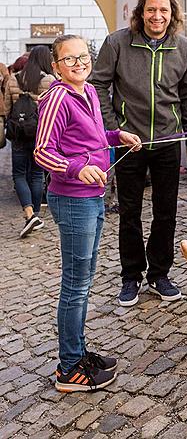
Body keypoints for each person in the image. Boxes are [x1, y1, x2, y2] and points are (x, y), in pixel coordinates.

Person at [34, 34, 141, 392]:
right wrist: (76, 168)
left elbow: (89, 138)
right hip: (73, 199)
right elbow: (42, 153)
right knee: (75, 285)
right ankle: (68, 368)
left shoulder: (90, 92)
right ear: (56, 66)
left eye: (83, 56)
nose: (79, 63)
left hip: (93, 197)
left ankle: (78, 353)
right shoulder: (57, 99)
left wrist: (116, 135)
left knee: (85, 278)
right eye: (69, 59)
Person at [92, 0, 187, 306]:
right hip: (130, 143)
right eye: (151, 10)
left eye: (163, 10)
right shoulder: (117, 43)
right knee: (129, 212)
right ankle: (131, 277)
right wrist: (113, 130)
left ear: (172, 15)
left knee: (165, 212)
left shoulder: (183, 49)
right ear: (140, 12)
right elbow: (98, 85)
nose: (157, 16)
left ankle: (159, 274)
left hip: (168, 142)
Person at [4, 46, 55, 237]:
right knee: (36, 174)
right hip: (40, 134)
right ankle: (34, 214)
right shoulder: (49, 81)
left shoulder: (12, 79)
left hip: (18, 134)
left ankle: (29, 213)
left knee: (18, 174)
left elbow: (8, 109)